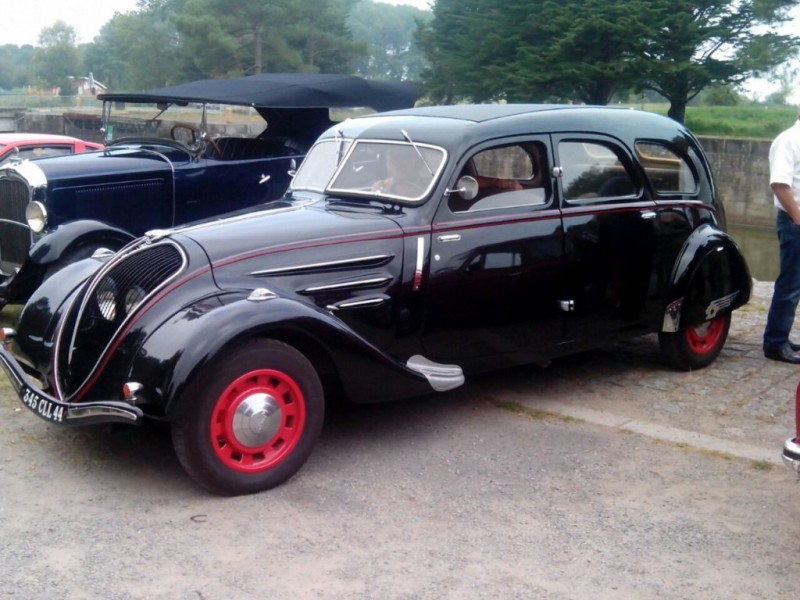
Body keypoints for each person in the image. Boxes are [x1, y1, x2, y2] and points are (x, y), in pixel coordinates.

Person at [763, 112, 800, 363]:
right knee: (790, 284)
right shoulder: (789, 140)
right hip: (793, 221)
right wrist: (798, 218)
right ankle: (775, 344)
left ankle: (782, 337)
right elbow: (779, 184)